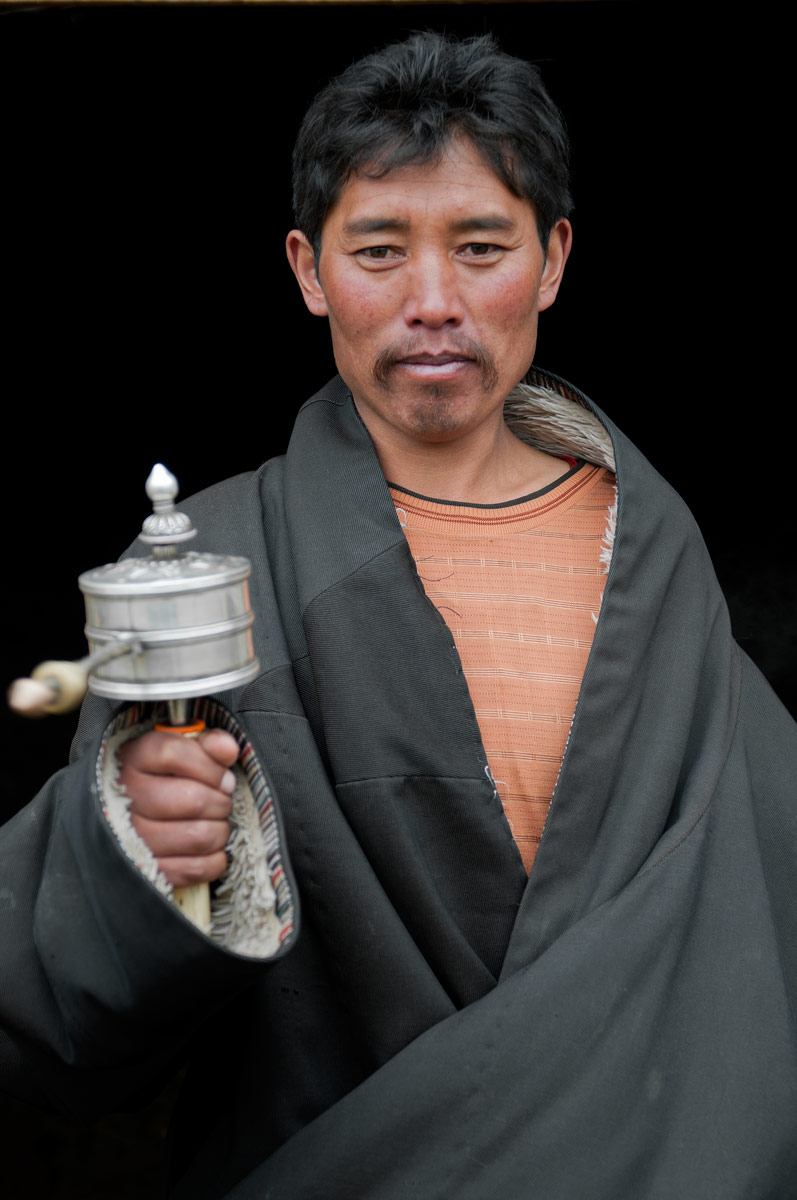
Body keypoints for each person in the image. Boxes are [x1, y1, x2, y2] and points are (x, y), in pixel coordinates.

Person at [2, 31, 795, 1200]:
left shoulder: (655, 565)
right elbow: (74, 1009)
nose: (433, 303)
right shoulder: (215, 572)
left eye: (481, 249)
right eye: (378, 249)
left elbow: (757, 880)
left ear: (553, 259)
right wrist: (134, 848)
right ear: (308, 269)